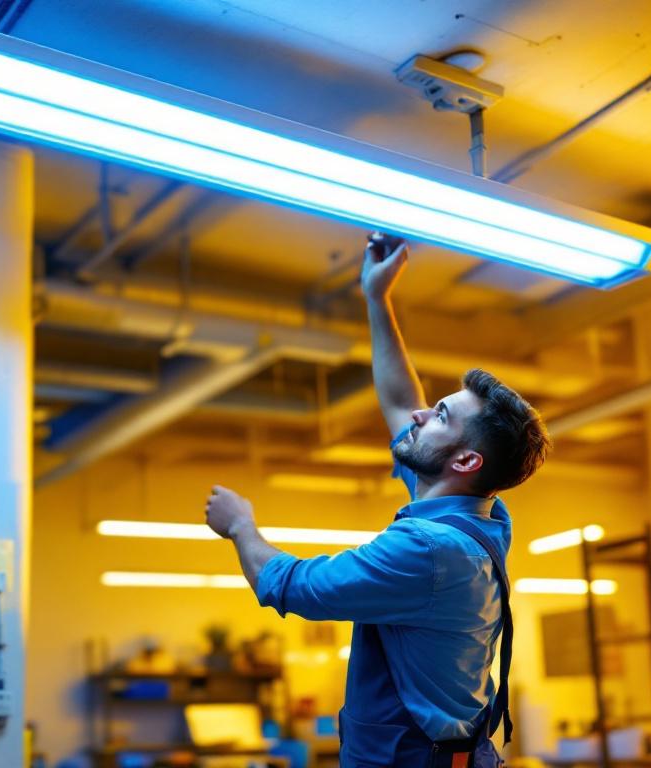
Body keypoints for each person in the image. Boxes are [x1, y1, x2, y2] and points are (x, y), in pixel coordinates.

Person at [204, 233, 550, 767]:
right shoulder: (479, 517)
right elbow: (398, 401)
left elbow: (292, 587)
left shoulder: (429, 549)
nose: (419, 416)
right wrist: (377, 298)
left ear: (464, 462)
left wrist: (240, 527)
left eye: (440, 416)